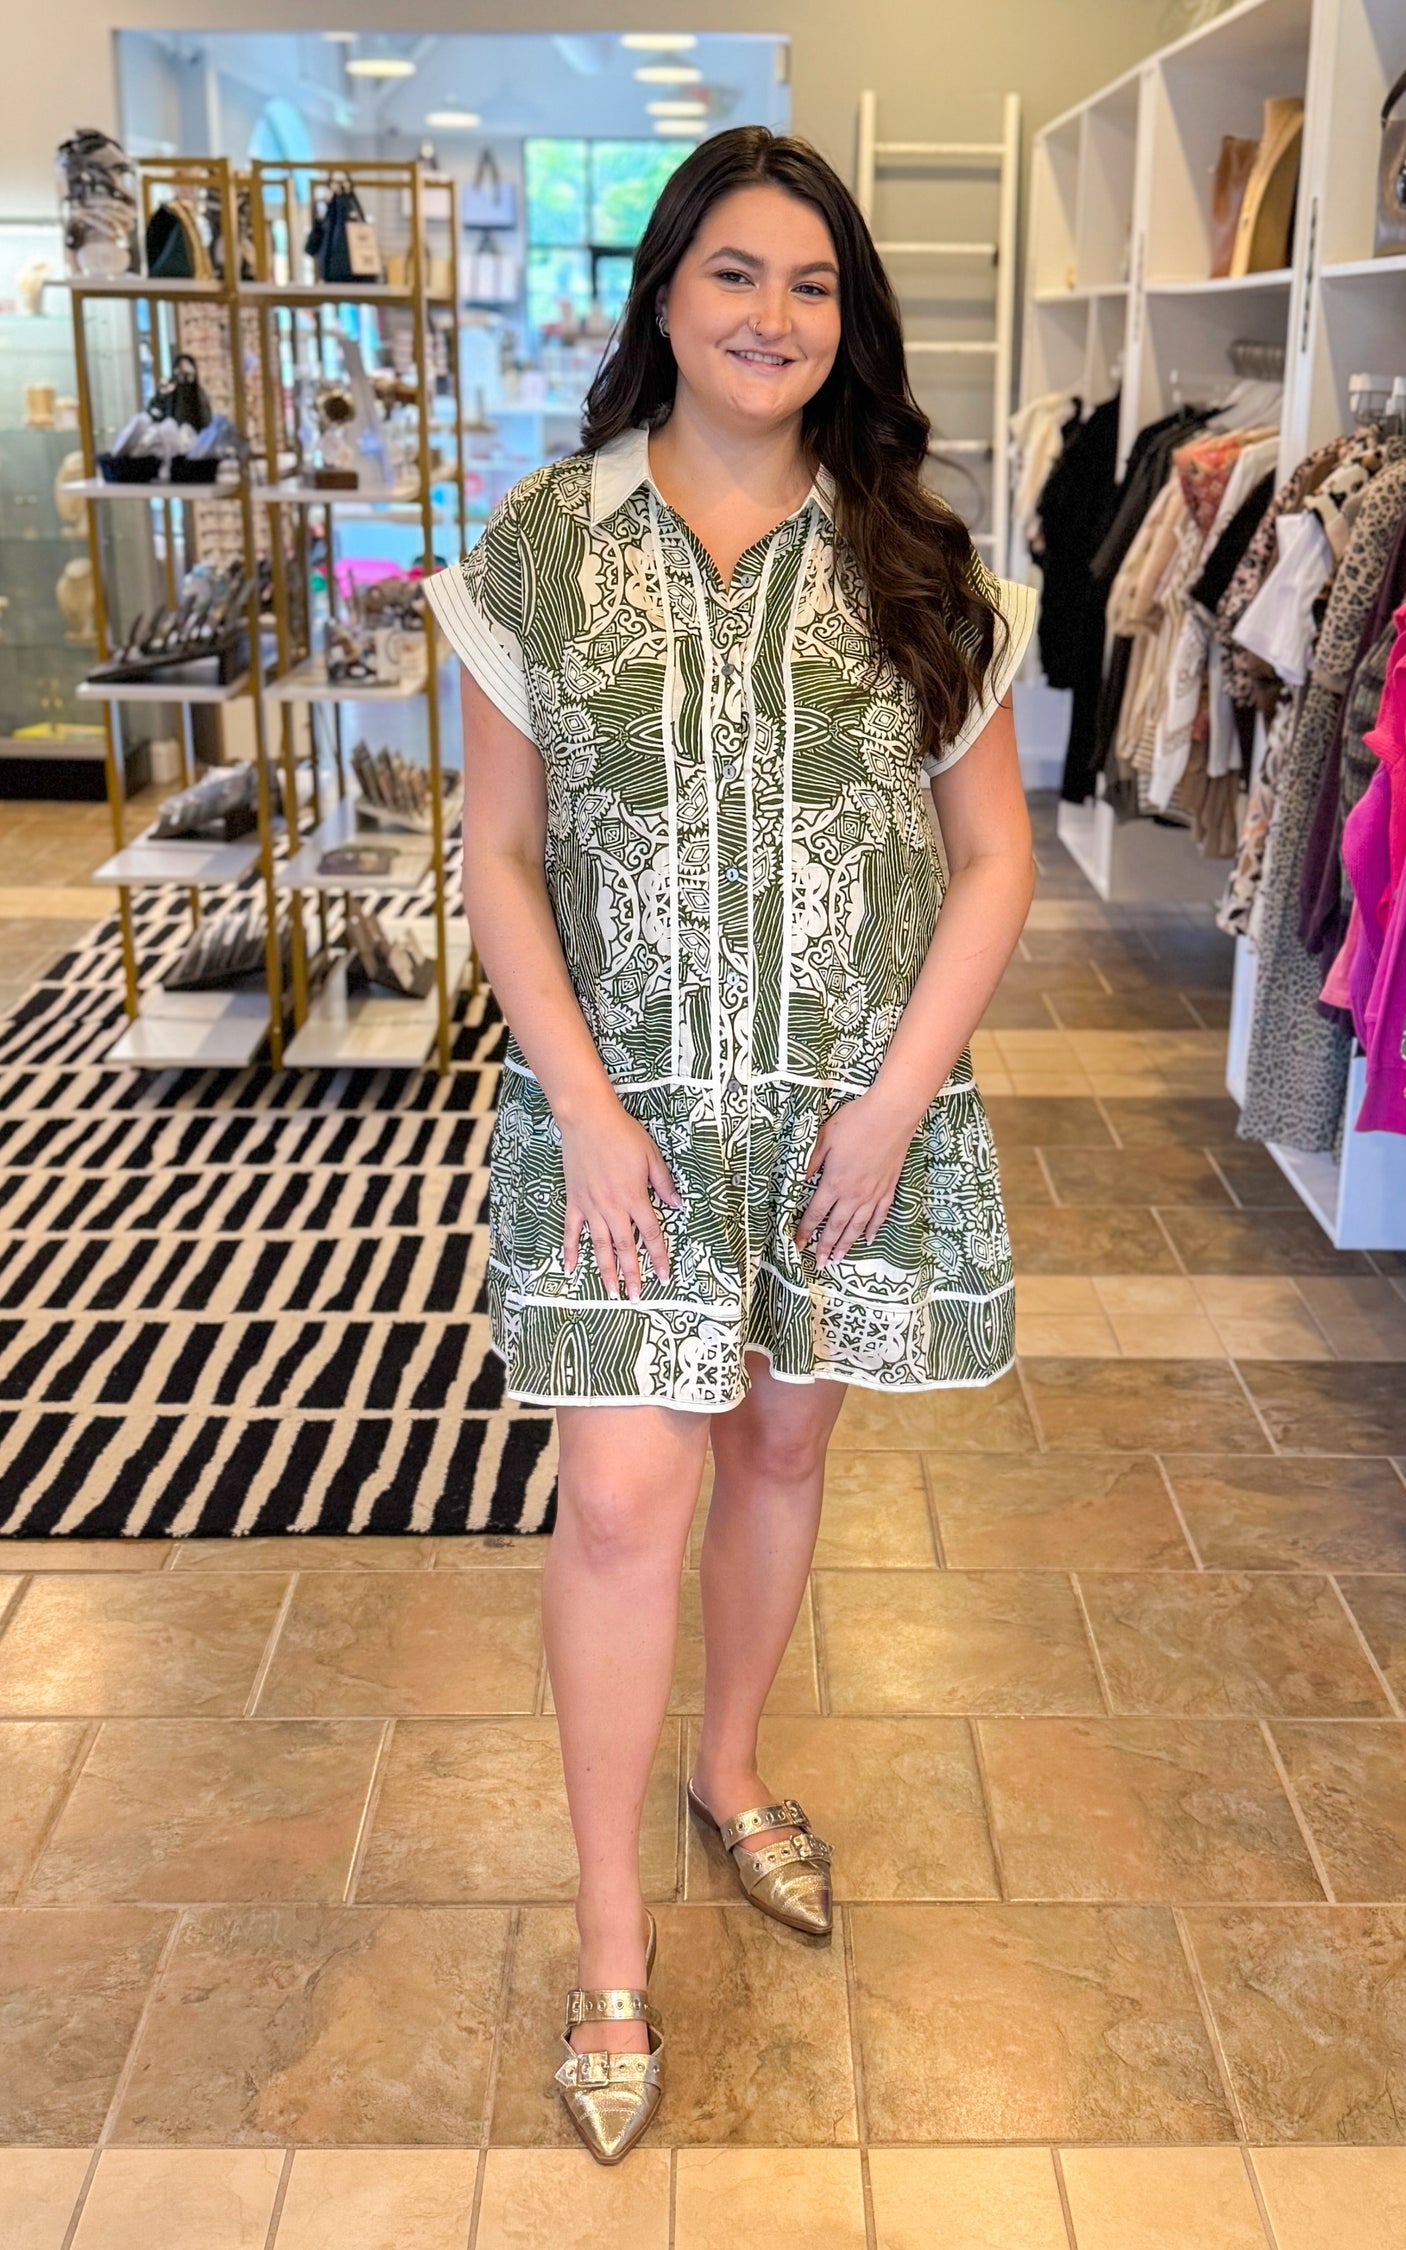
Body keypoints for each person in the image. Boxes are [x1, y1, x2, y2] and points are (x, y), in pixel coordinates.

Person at [423, 124, 1037, 2166]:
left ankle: (731, 1763)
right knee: (618, 1503)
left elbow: (992, 859)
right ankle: (612, 1943)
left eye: (813, 288)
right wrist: (584, 1112)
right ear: (666, 294)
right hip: (626, 1132)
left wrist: (893, 1099)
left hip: (849, 1120)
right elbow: (498, 852)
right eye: (736, 277)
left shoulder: (915, 557)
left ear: (843, 324)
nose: (773, 318)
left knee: (785, 1442)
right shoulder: (537, 546)